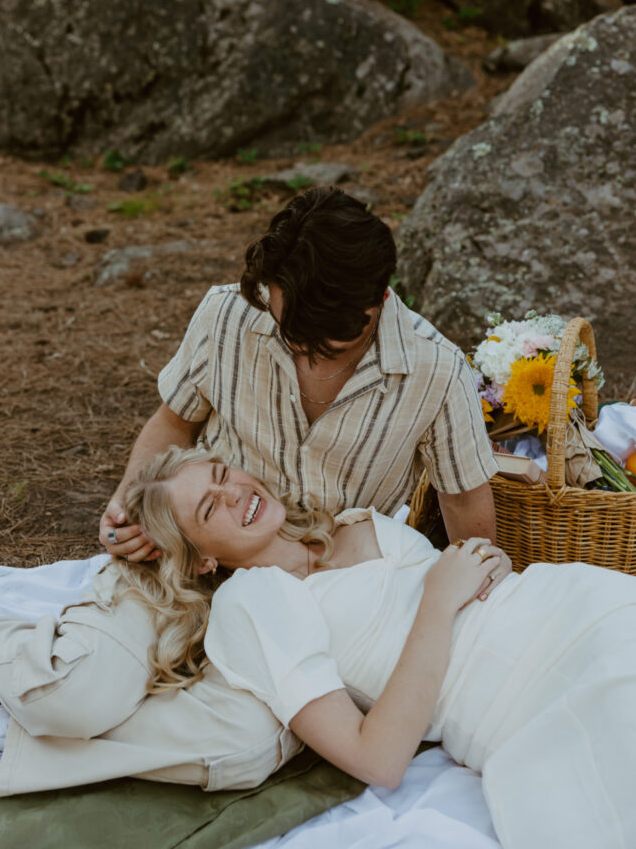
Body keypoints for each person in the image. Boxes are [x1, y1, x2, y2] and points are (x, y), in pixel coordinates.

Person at [107, 446, 636, 849]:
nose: (233, 494)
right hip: (527, 696)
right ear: (201, 560)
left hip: (572, 604)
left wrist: (486, 563)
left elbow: (463, 580)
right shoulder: (253, 603)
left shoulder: (352, 521)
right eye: (208, 508)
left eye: (224, 474)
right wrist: (439, 598)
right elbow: (377, 759)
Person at [99, 187, 500, 565]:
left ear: (379, 298)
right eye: (285, 326)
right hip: (211, 567)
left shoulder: (438, 368)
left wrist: (480, 589)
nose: (297, 350)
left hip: (341, 578)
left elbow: (464, 502)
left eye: (323, 344)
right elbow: (173, 421)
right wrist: (125, 509)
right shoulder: (224, 315)